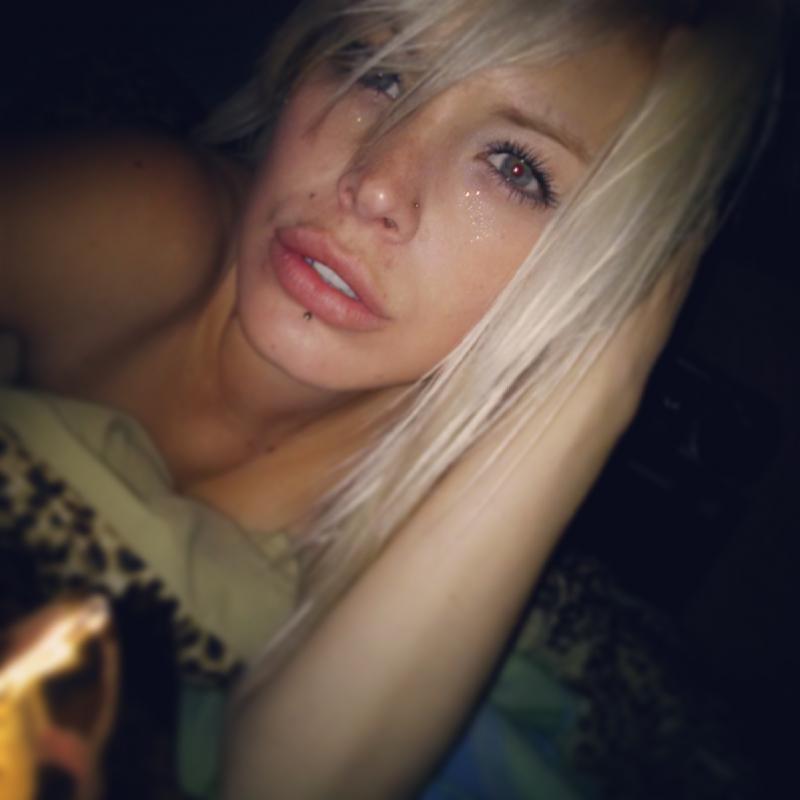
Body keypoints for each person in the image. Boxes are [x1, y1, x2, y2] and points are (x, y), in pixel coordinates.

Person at [0, 0, 781, 796]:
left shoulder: (444, 486)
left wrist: (605, 376)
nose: (374, 184)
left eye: (515, 166)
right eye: (377, 71)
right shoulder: (140, 223)